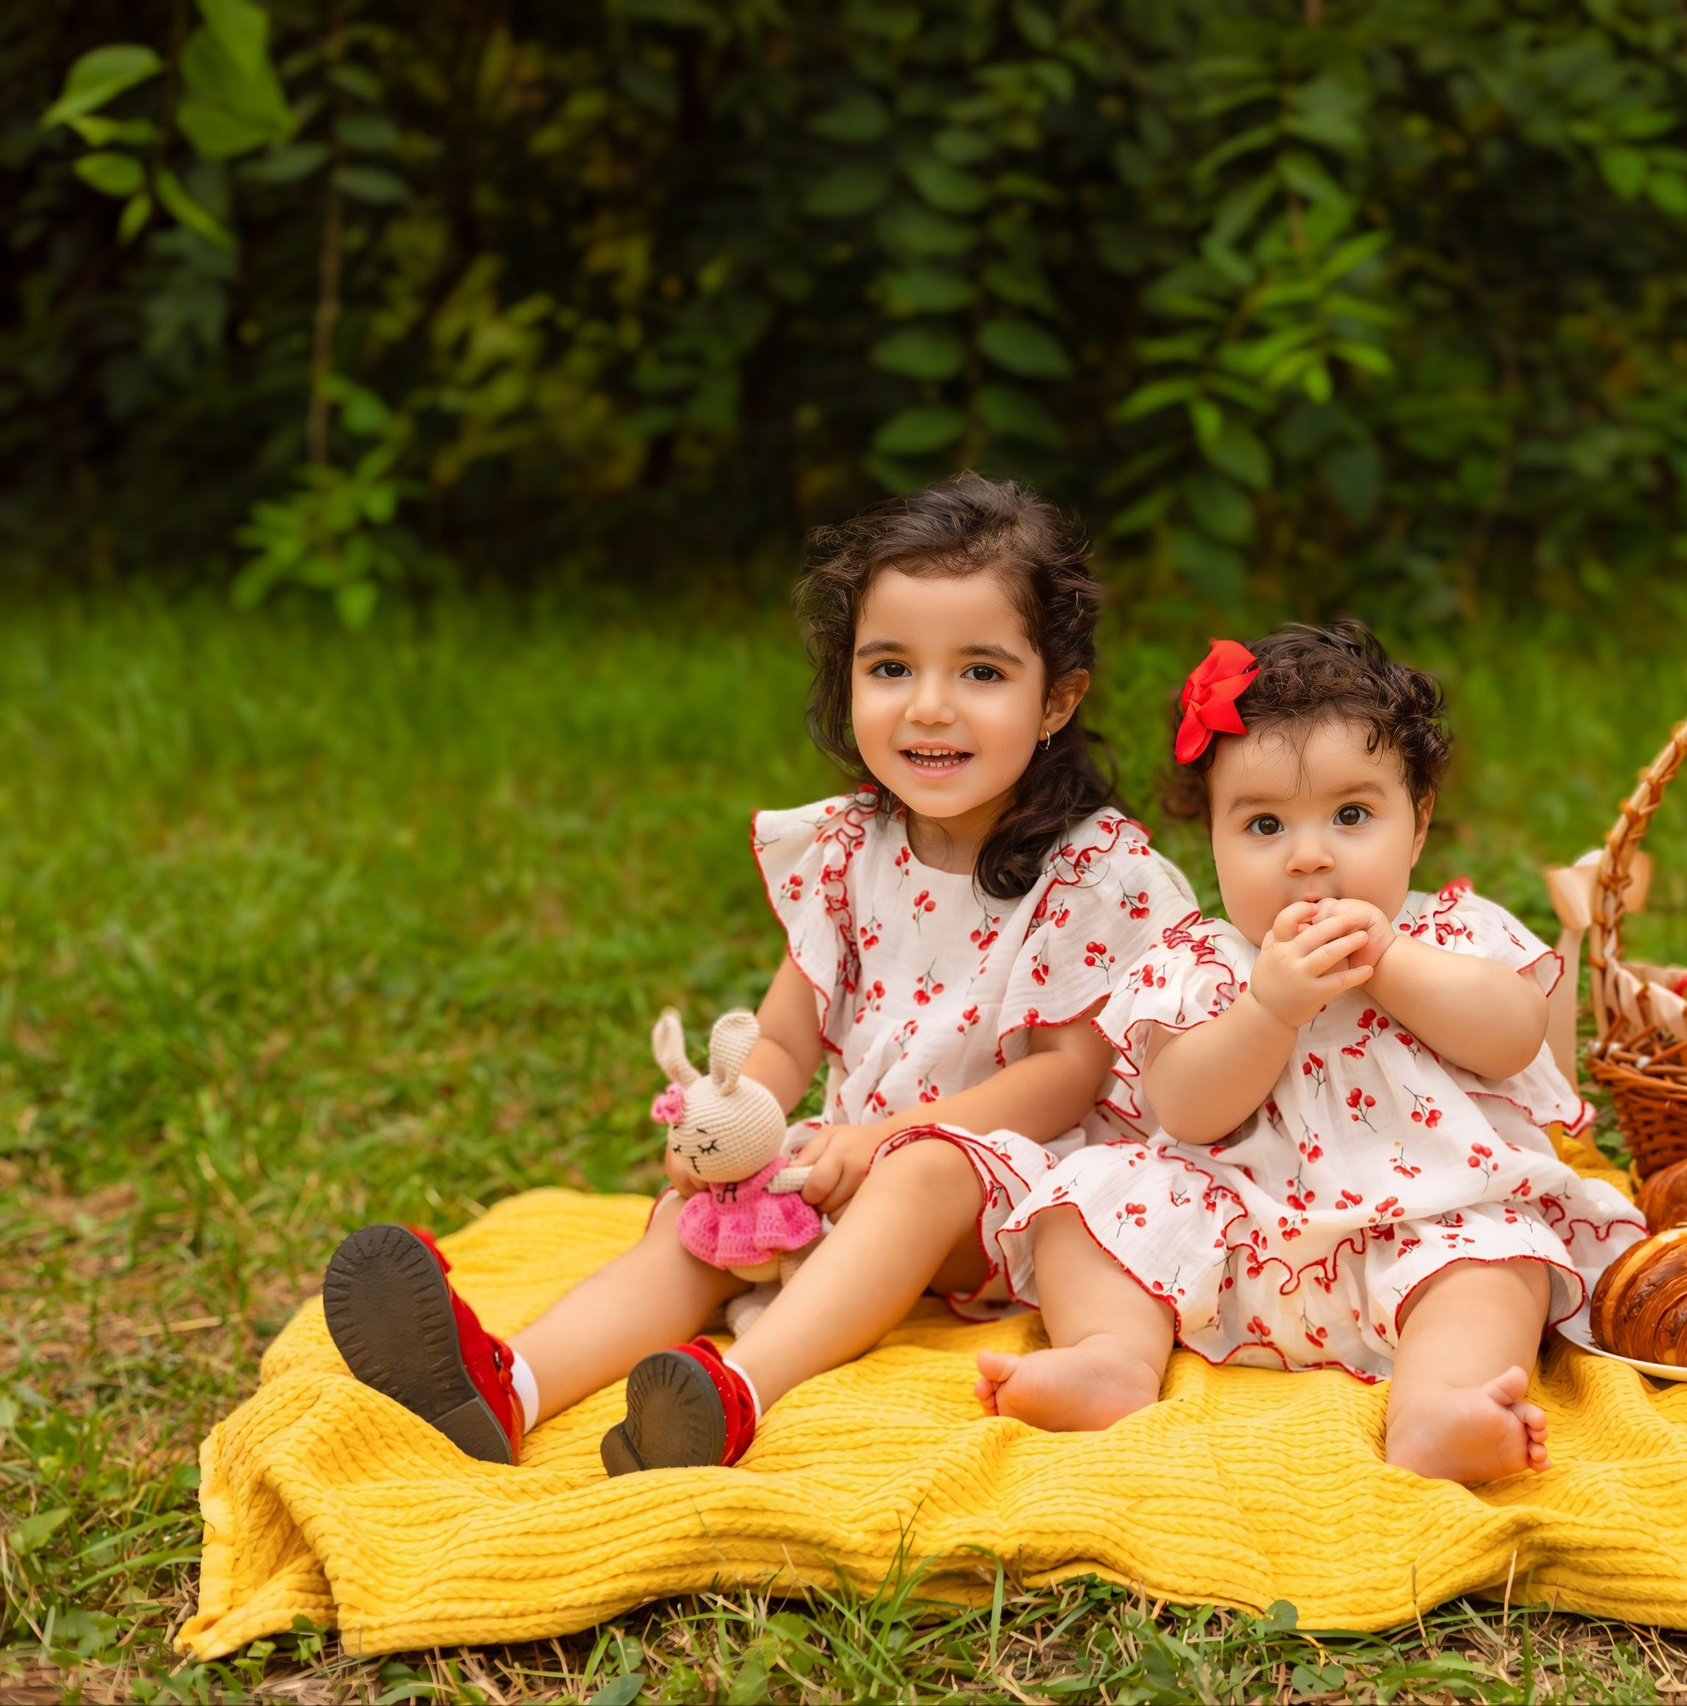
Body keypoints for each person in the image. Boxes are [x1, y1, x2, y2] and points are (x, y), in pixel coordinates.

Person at [319, 473, 1193, 1472]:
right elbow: (783, 1038)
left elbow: (1061, 1078)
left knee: (922, 1171)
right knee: (704, 1223)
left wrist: (884, 1139)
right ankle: (506, 1382)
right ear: (846, 676)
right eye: (891, 666)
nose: (930, 707)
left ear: (1058, 698)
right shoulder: (846, 849)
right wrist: (731, 1125)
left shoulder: (1087, 871)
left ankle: (740, 1388)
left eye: (982, 672)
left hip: (1018, 1193)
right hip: (851, 1164)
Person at [976, 623, 1644, 1484]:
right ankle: (1111, 1356)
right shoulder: (1202, 963)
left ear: (1418, 824)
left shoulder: (1450, 936)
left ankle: (1442, 1404)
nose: (1310, 856)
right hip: (1227, 1238)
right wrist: (1268, 1010)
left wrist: (1393, 962)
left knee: (1499, 1260)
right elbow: (1185, 1107)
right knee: (1087, 1202)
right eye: (1262, 825)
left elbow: (1514, 1032)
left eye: (1353, 815)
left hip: (1424, 1231)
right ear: (1210, 841)